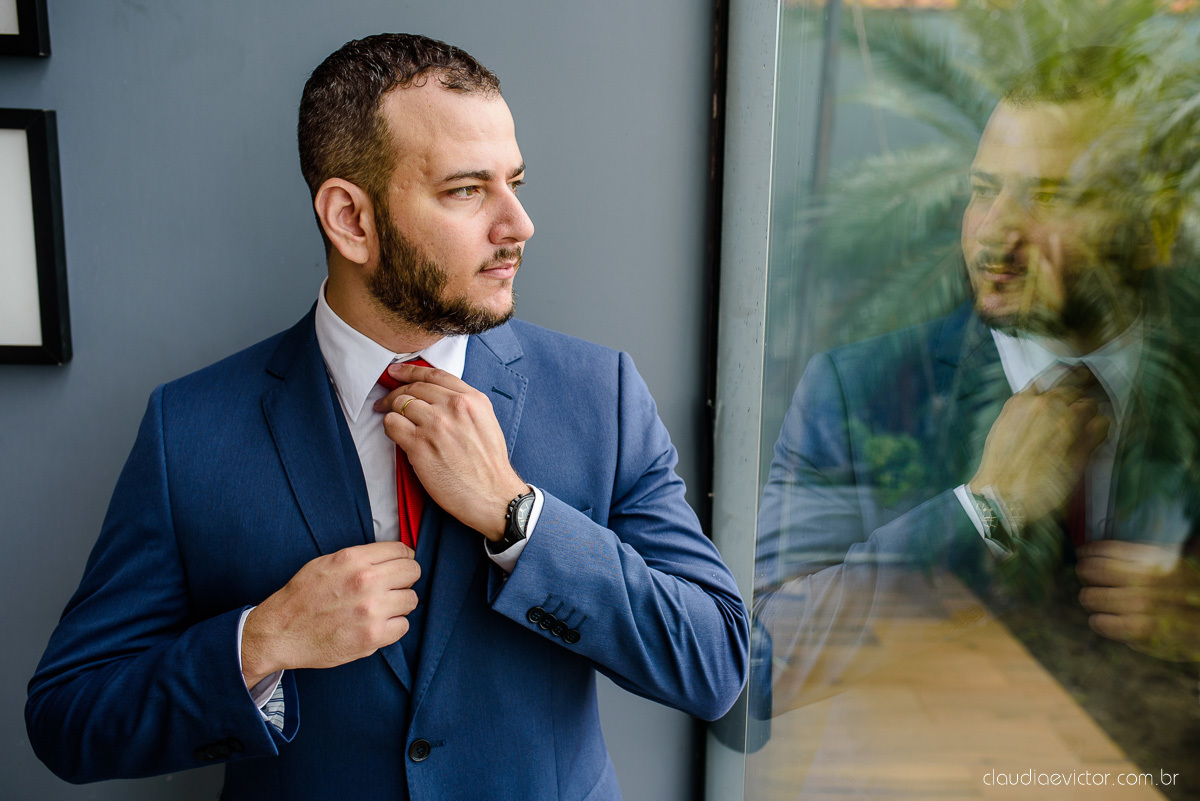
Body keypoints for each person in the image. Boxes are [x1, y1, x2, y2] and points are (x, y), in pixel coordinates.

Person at [26, 34, 749, 801]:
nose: (519, 224)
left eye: (515, 181)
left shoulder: (598, 394)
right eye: (468, 190)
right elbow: (68, 716)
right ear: (351, 219)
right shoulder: (190, 429)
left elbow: (716, 661)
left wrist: (519, 517)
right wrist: (263, 640)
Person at [754, 55, 1200, 735]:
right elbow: (762, 666)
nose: (995, 230)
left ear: (1150, 230)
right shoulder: (860, 392)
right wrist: (983, 512)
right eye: (983, 188)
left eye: (1047, 196)